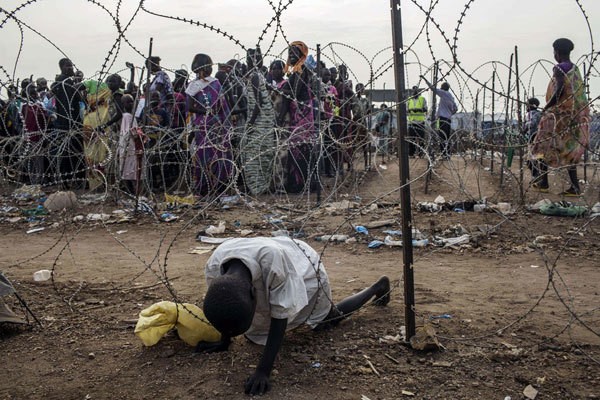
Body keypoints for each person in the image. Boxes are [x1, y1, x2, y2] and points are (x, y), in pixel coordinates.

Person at [199, 236, 391, 395]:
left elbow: (280, 316)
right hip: (271, 255)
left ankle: (377, 287)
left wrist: (263, 371)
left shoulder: (273, 265)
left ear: (252, 292)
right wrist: (224, 341)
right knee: (253, 330)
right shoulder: (215, 268)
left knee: (326, 320)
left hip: (302, 266)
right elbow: (224, 302)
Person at [532, 38, 590, 196]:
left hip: (558, 116)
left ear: (557, 52)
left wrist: (547, 106)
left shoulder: (559, 68)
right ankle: (575, 187)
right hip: (573, 116)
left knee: (543, 144)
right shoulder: (575, 69)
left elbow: (558, 91)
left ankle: (543, 182)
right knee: (568, 149)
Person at [185, 53, 232, 197]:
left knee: (217, 154)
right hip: (207, 124)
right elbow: (190, 107)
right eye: (209, 66)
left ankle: (219, 187)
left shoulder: (215, 82)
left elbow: (222, 103)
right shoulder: (194, 86)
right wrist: (208, 111)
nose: (211, 69)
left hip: (215, 124)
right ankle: (206, 187)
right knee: (207, 154)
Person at [281, 41, 315, 193]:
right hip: (301, 113)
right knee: (299, 148)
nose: (291, 56)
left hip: (302, 114)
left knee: (299, 148)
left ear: (302, 55)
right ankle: (301, 182)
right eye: (289, 54)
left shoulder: (300, 71)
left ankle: (301, 184)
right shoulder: (297, 71)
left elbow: (293, 92)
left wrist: (278, 90)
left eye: (294, 53)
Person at [242, 47, 276, 196]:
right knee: (262, 153)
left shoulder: (255, 77)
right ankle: (261, 185)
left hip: (260, 121)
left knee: (254, 154)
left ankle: (258, 187)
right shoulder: (259, 76)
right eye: (250, 58)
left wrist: (251, 123)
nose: (252, 61)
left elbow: (258, 102)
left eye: (254, 58)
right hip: (265, 120)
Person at [51, 58, 85, 188]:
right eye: (67, 66)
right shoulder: (64, 82)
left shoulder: (60, 83)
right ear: (61, 67)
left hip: (67, 122)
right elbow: (79, 98)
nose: (71, 68)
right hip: (69, 123)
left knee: (70, 153)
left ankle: (68, 180)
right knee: (72, 153)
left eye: (71, 66)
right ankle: (74, 180)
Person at [420, 76, 457, 159]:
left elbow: (433, 89)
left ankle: (444, 154)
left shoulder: (444, 93)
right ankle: (447, 154)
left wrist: (425, 79)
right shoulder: (451, 96)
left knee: (442, 137)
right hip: (448, 119)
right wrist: (450, 113)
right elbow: (455, 109)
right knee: (446, 136)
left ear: (443, 88)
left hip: (442, 119)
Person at [117, 94, 146, 194]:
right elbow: (131, 131)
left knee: (130, 168)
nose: (131, 104)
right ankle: (132, 192)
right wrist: (142, 136)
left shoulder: (130, 116)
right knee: (130, 168)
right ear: (123, 104)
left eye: (132, 101)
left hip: (130, 145)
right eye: (128, 102)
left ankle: (133, 192)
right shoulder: (127, 116)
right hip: (129, 145)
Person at [21, 83, 49, 185]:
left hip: (38, 136)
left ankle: (38, 180)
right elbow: (20, 121)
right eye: (31, 93)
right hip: (29, 137)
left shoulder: (40, 105)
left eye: (34, 93)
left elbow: (46, 118)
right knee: (31, 160)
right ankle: (33, 180)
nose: (33, 95)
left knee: (39, 160)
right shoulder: (23, 106)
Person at [523, 98, 546, 191]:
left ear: (532, 105)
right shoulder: (540, 113)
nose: (526, 107)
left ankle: (537, 176)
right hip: (539, 139)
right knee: (538, 159)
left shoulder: (533, 114)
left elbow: (532, 123)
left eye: (527, 105)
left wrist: (524, 128)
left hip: (534, 139)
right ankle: (538, 176)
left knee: (531, 160)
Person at [407, 86, 427, 157]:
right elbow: (406, 110)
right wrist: (410, 110)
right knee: (411, 140)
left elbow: (425, 109)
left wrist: (418, 110)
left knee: (421, 139)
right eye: (413, 90)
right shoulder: (409, 100)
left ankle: (421, 153)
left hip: (420, 122)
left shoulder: (422, 99)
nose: (415, 92)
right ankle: (411, 154)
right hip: (411, 122)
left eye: (416, 90)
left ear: (418, 91)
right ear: (412, 91)